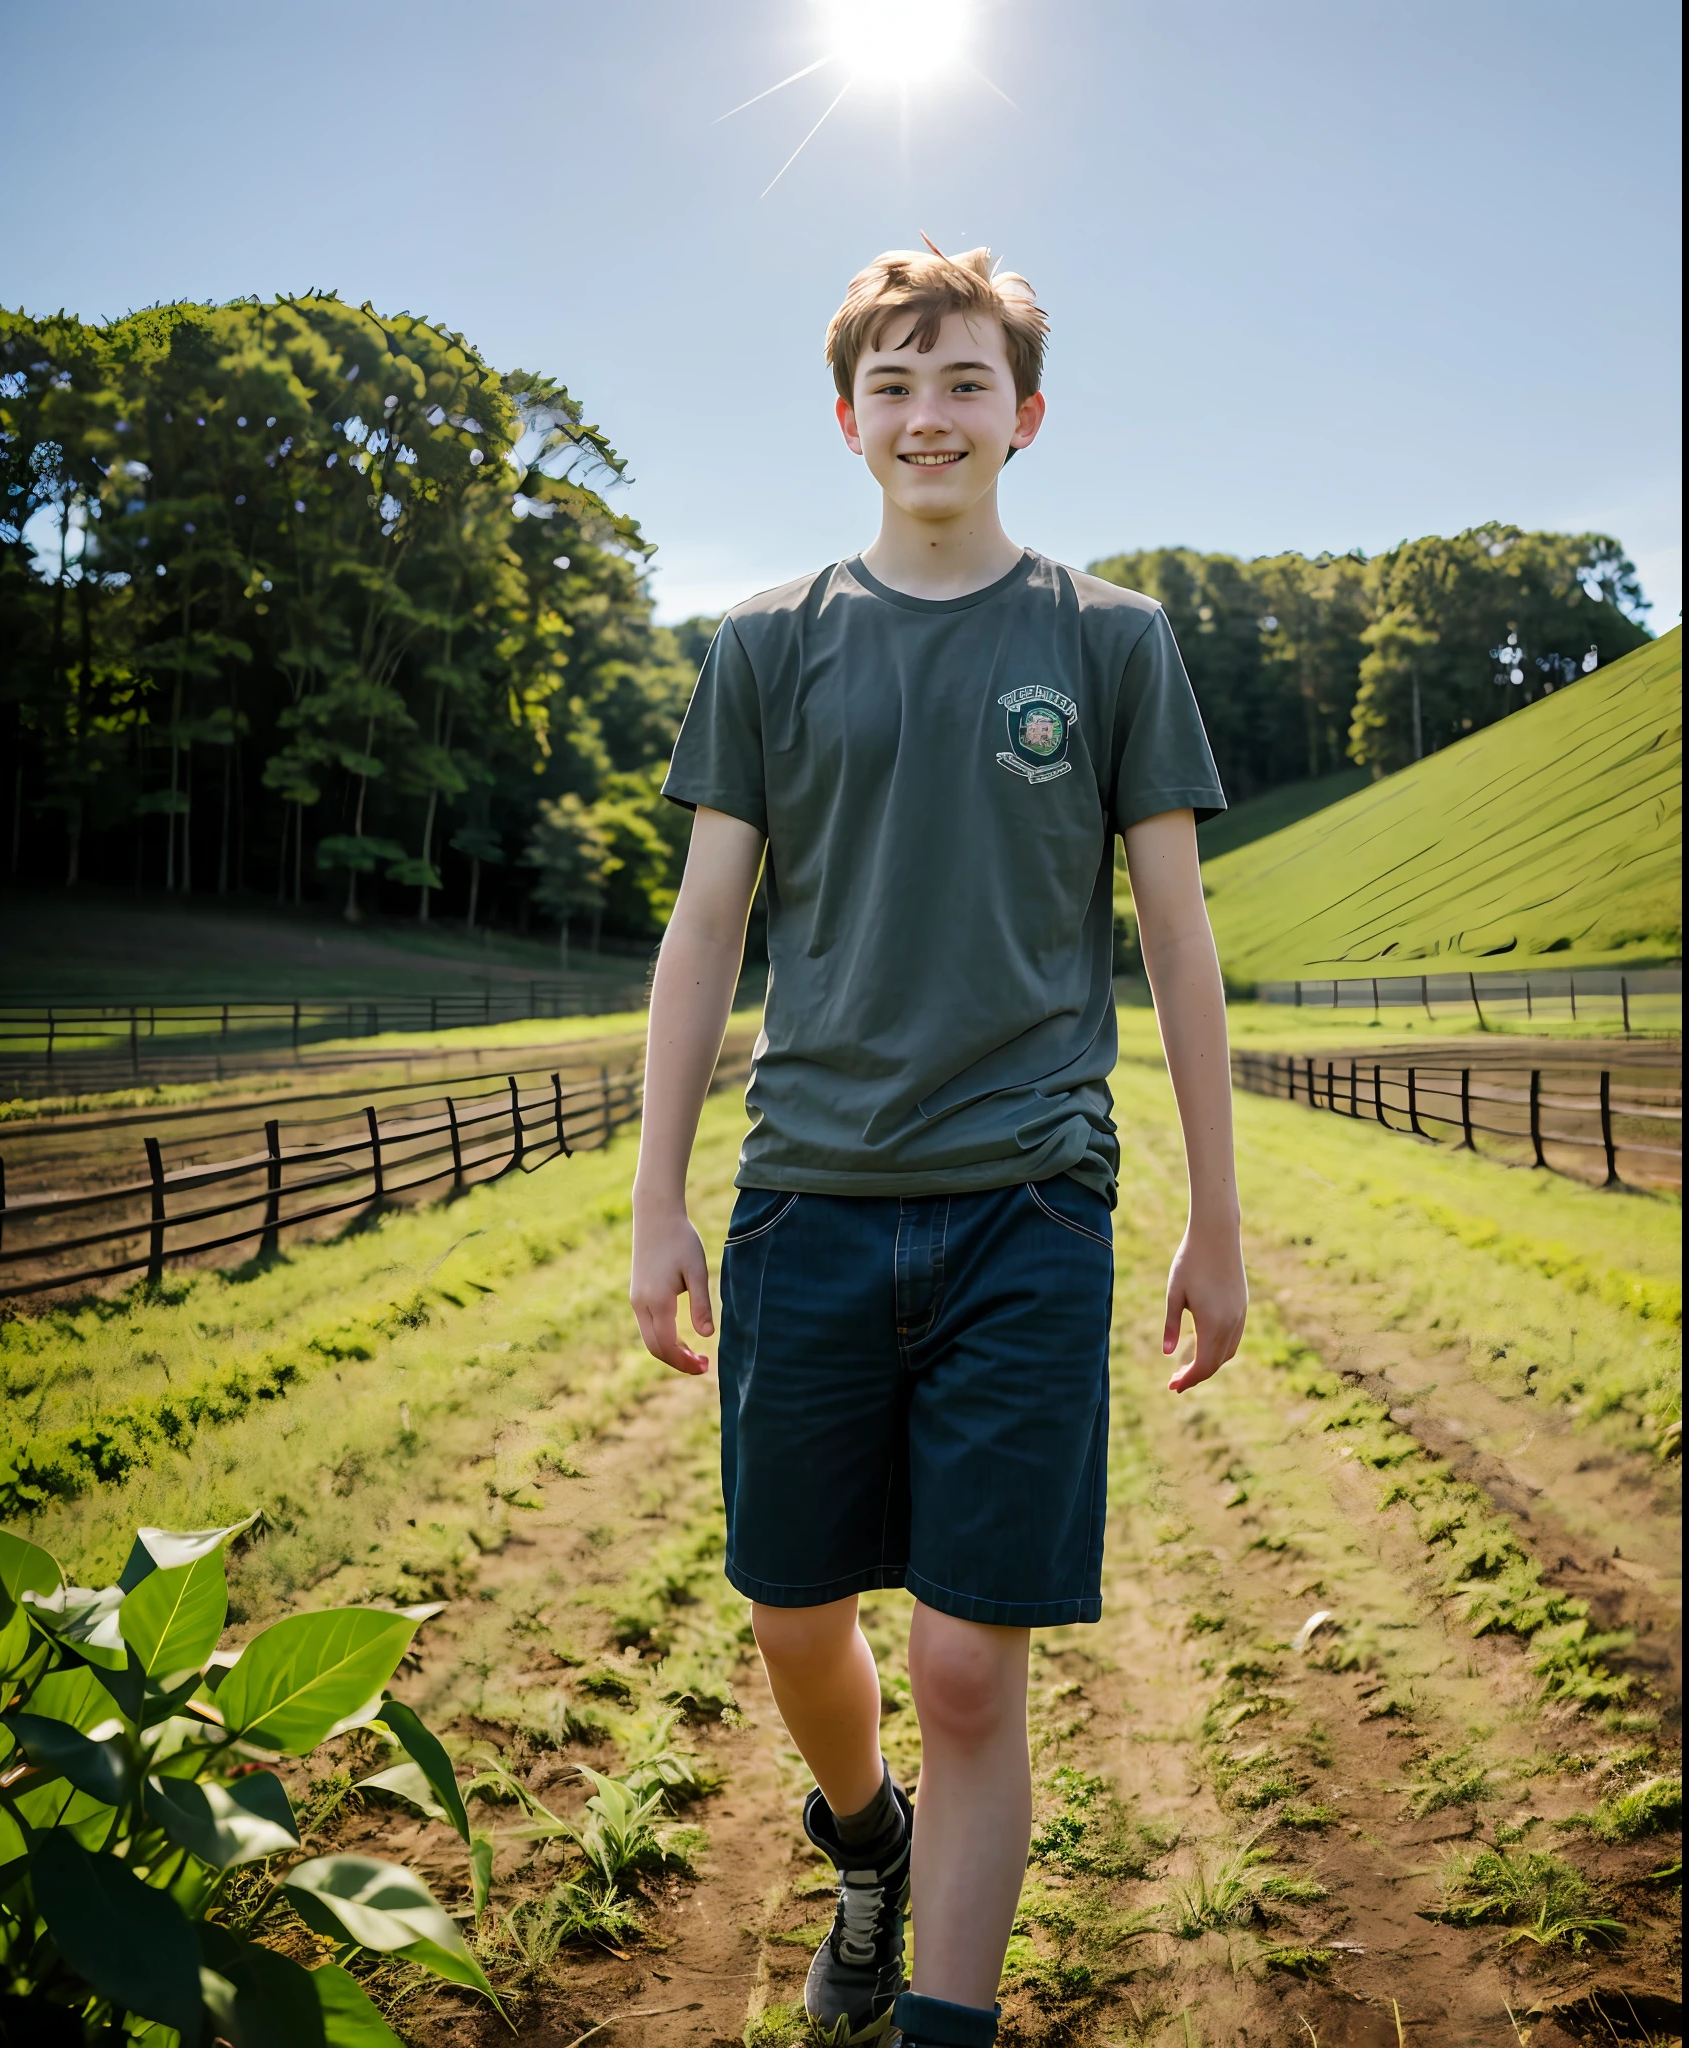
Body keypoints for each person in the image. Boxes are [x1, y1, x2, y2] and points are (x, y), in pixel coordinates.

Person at [630, 242, 1248, 2048]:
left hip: (1031, 1202)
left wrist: (1216, 1218)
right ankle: (863, 1838)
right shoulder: (765, 647)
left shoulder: (1110, 641)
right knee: (794, 1621)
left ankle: (941, 2026)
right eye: (894, 384)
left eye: (965, 380)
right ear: (846, 420)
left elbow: (1181, 941)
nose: (929, 413)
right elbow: (702, 931)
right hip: (809, 1198)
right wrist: (660, 1198)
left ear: (1026, 417)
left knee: (973, 1667)